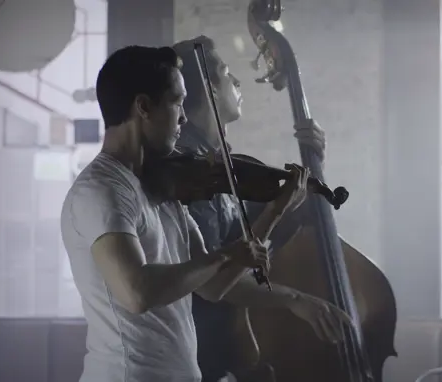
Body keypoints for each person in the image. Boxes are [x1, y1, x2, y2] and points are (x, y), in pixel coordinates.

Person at [60, 45, 286, 382]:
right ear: (144, 107)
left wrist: (276, 210)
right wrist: (226, 254)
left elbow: (213, 287)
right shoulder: (102, 189)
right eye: (177, 102)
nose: (183, 117)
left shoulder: (159, 187)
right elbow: (137, 293)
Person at [172, 35, 351, 382]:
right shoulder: (194, 175)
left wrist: (315, 167)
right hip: (202, 354)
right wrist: (294, 298)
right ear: (209, 88)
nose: (237, 82)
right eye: (227, 74)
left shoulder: (223, 170)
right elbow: (211, 279)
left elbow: (284, 225)